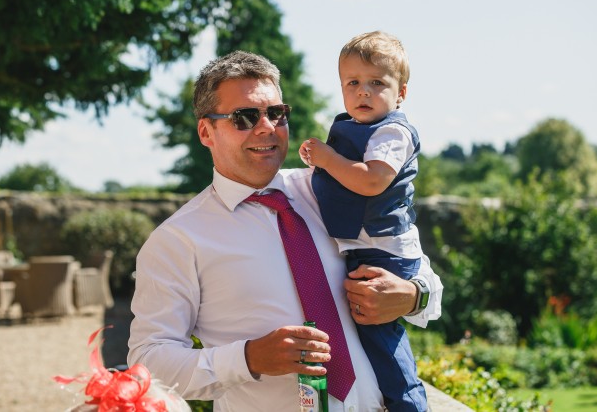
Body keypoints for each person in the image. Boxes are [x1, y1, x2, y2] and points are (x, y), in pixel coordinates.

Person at [128, 50, 442, 412]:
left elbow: (415, 266)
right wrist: (248, 358)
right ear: (206, 131)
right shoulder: (177, 240)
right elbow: (148, 363)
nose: (267, 127)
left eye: (276, 113)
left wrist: (412, 294)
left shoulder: (331, 190)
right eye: (244, 117)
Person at [299, 31, 428, 411]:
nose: (363, 92)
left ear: (400, 93)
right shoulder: (354, 128)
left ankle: (409, 405)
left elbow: (371, 180)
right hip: (369, 248)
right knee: (371, 338)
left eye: (377, 83)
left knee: (382, 342)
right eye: (352, 83)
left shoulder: (391, 132)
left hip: (383, 251)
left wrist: (326, 159)